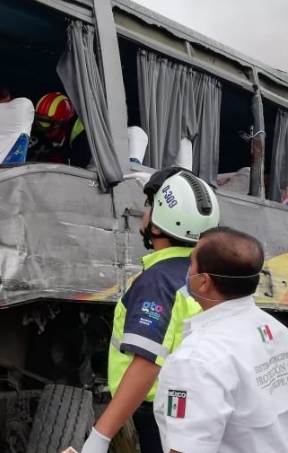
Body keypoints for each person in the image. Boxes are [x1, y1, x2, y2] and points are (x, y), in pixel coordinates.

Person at [82, 167, 220, 453]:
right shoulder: (204, 275)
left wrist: (101, 435)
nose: (144, 212)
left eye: (149, 206)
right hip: (195, 407)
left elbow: (146, 363)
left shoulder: (157, 281)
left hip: (161, 414)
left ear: (157, 227)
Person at [152, 227, 288, 453]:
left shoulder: (197, 359)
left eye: (191, 263)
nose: (187, 271)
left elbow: (188, 448)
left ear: (204, 281)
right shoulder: (279, 333)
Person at [30, 91, 91, 168]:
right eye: (38, 121)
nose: (42, 128)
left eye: (46, 123)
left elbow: (79, 169)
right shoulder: (40, 135)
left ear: (62, 122)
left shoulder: (81, 137)